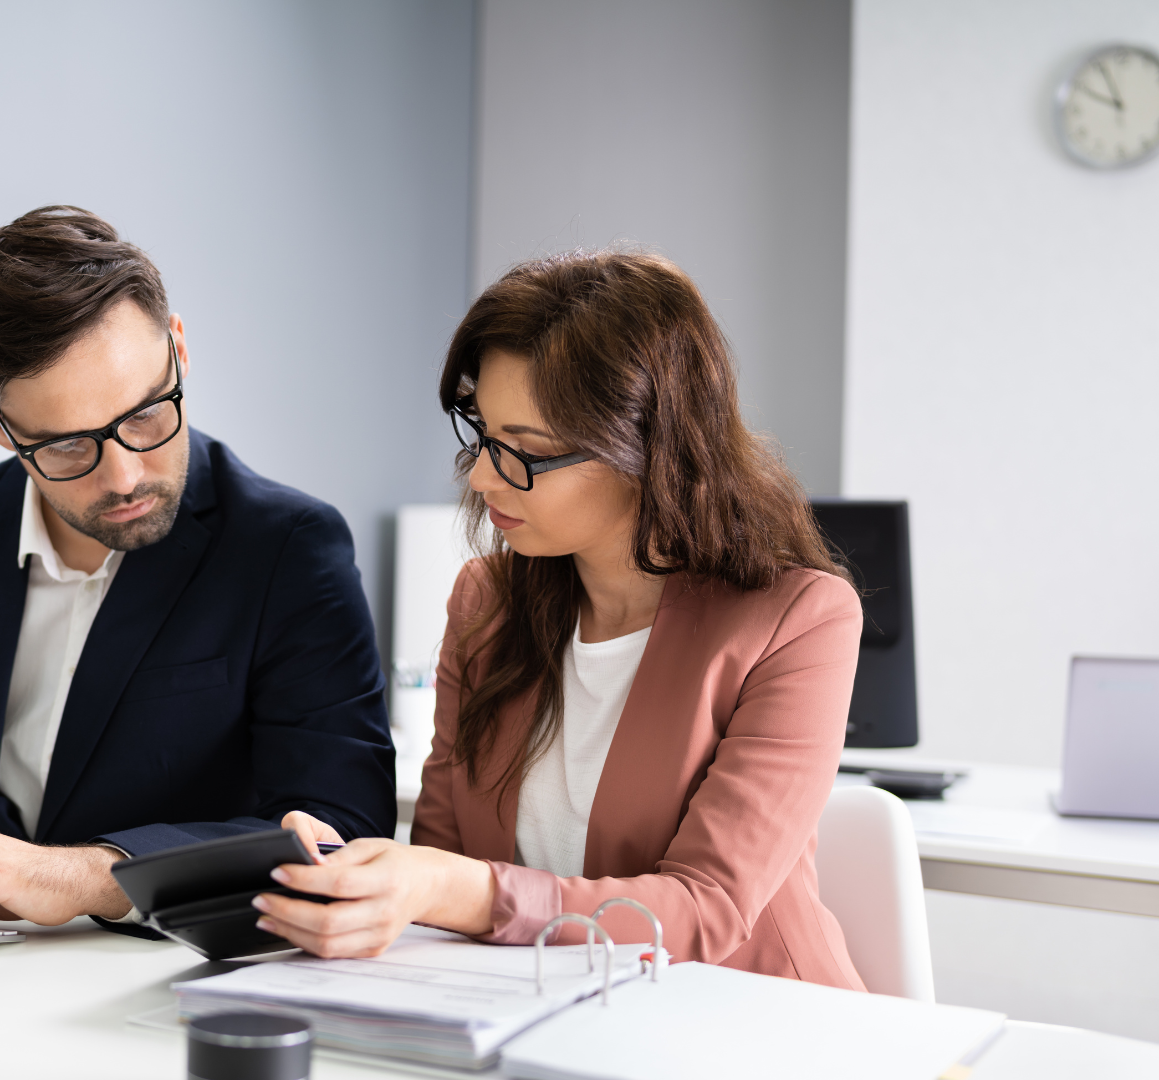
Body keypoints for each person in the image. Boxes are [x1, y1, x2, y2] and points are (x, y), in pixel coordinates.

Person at [260, 250, 867, 989]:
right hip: (542, 1020)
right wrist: (360, 878)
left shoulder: (800, 620)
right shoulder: (486, 604)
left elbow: (706, 910)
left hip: (754, 1029)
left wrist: (451, 889)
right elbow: (444, 865)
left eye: (528, 453)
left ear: (650, 450)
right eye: (484, 435)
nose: (483, 477)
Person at [0, 206, 395, 929]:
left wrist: (80, 877)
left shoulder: (287, 548)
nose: (127, 474)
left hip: (169, 977)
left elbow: (342, 828)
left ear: (179, 349)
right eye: (69, 447)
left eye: (146, 414)